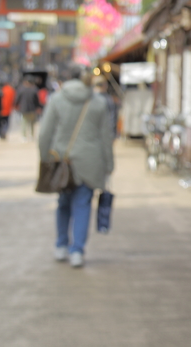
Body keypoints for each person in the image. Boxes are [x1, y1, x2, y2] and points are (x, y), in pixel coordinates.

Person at [38, 65, 114, 268]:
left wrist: (45, 157)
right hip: (91, 160)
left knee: (63, 203)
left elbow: (45, 132)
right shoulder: (98, 101)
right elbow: (106, 136)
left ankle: (61, 245)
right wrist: (109, 163)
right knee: (83, 204)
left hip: (63, 160)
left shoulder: (57, 99)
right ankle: (77, 250)